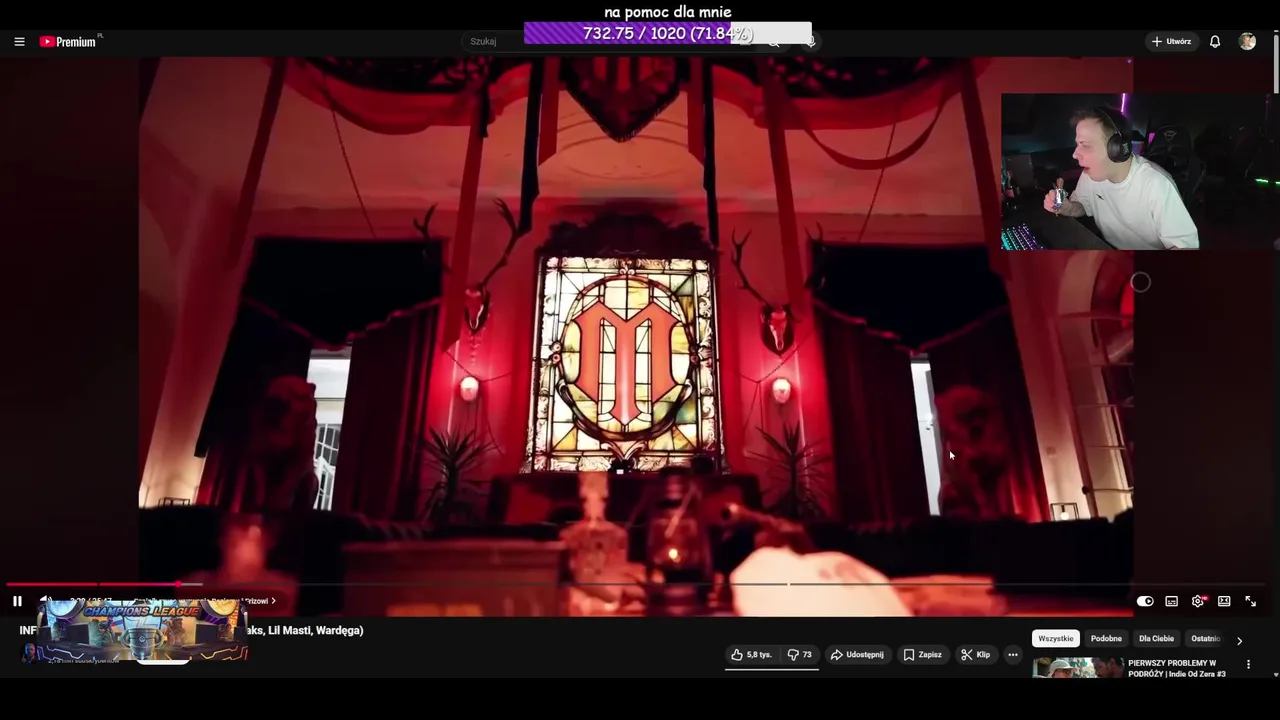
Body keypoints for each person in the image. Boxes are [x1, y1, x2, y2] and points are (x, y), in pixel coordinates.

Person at [1043, 107, 1199, 250]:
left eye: (1086, 145)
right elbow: (1083, 205)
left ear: (1116, 148)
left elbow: (1185, 247)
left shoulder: (1157, 184)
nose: (1075, 154)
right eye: (1077, 144)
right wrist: (1068, 208)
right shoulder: (1089, 174)